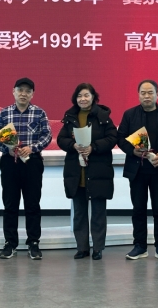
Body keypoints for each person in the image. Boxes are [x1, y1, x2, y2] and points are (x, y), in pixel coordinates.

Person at [117, 80, 158, 261]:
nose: (147, 96)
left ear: (157, 94)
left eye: (150, 92)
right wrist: (132, 151)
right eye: (143, 93)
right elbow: (120, 138)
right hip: (137, 170)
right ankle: (140, 246)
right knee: (138, 209)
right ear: (138, 95)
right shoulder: (130, 115)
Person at [57, 83, 117, 260]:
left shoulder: (103, 116)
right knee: (79, 213)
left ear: (93, 97)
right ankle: (82, 247)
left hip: (98, 171)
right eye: (79, 96)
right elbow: (61, 139)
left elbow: (112, 138)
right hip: (77, 173)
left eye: (86, 95)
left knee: (98, 212)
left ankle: (98, 248)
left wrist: (94, 147)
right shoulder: (70, 116)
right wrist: (72, 145)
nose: (82, 99)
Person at [0, 77, 52, 260]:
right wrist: (7, 149)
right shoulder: (4, 113)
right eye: (20, 90)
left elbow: (47, 135)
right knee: (10, 204)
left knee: (32, 204)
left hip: (32, 162)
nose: (23, 94)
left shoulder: (39, 113)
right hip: (10, 163)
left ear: (32, 94)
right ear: (14, 92)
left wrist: (32, 148)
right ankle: (10, 243)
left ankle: (33, 242)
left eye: (28, 91)